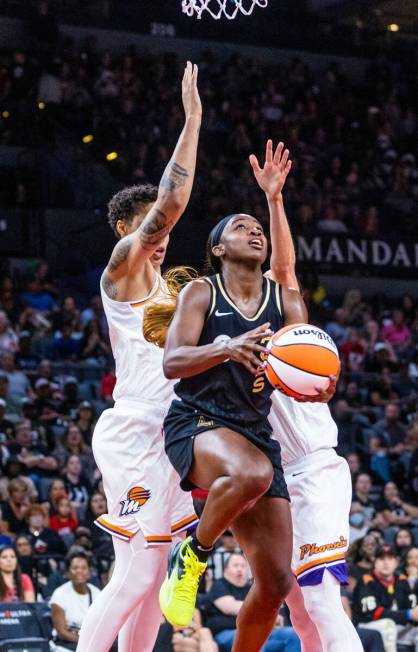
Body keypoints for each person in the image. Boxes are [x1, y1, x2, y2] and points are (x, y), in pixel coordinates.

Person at [152, 155, 310, 648]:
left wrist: (320, 384)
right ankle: (192, 556)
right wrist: (224, 347)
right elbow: (173, 362)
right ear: (219, 248)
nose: (254, 232)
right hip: (198, 419)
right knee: (252, 474)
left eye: (259, 228)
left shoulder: (282, 300)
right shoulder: (202, 290)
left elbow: (312, 358)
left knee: (277, 584)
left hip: (253, 432)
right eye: (242, 228)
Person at [77, 62, 201, 652]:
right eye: (151, 223)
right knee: (135, 571)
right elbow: (171, 203)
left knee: (155, 578)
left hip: (173, 433)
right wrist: (193, 119)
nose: (165, 232)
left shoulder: (175, 291)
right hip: (132, 430)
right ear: (128, 228)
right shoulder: (121, 274)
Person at [251, 140, 362, 651]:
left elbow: (288, 268)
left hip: (314, 469)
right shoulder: (218, 329)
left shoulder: (285, 322)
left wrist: (274, 201)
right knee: (296, 605)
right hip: (274, 483)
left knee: (320, 600)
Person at [206, 553, 301, 651]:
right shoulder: (220, 585)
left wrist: (272, 617)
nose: (239, 569)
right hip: (226, 633)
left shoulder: (253, 588)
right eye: (235, 565)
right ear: (225, 570)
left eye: (243, 566)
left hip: (258, 631)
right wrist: (266, 614)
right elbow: (229, 607)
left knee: (293, 634)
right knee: (253, 638)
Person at [353, 545, 418, 651]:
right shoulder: (366, 580)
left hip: (397, 625)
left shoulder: (401, 580)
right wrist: (408, 614)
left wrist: (413, 613)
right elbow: (374, 613)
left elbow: (411, 607)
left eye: (390, 559)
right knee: (388, 625)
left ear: (396, 562)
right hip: (366, 625)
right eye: (382, 559)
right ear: (375, 562)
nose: (386, 563)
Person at [50, 552, 101, 651]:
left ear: (89, 572)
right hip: (67, 642)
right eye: (75, 568)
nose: (79, 571)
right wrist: (86, 643)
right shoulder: (60, 594)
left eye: (83, 568)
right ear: (68, 572)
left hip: (90, 640)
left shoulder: (96, 593)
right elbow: (61, 632)